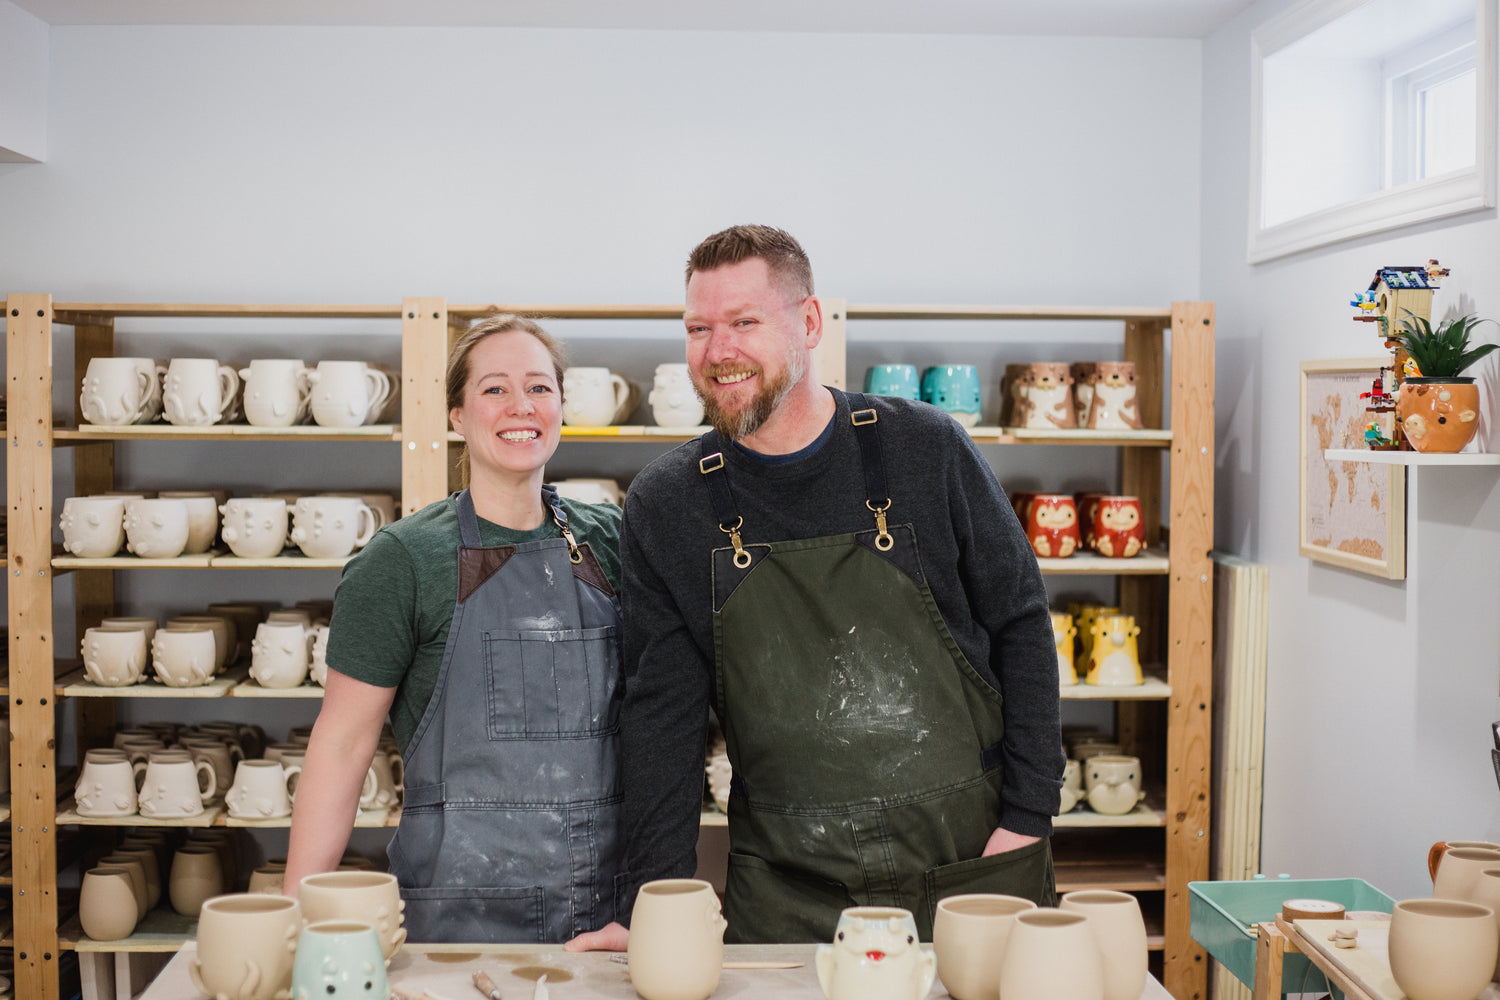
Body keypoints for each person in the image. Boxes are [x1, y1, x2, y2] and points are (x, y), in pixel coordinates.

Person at [590, 224, 1063, 947]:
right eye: (698, 328)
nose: (718, 352)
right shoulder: (669, 502)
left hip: (971, 868)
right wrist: (649, 906)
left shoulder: (924, 449)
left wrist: (1026, 819)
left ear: (808, 323)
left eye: (744, 322)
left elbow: (1023, 626)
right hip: (789, 892)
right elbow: (662, 719)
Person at [284, 314, 627, 944]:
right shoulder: (402, 561)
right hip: (457, 918)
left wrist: (649, 908)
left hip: (602, 917)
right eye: (494, 389)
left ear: (561, 406)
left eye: (539, 388)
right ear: (455, 417)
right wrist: (294, 920)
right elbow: (341, 747)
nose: (520, 406)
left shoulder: (614, 541)